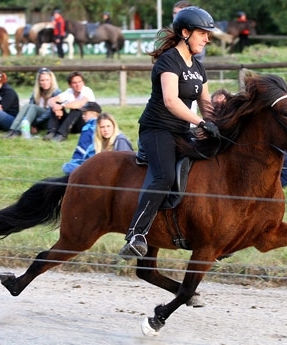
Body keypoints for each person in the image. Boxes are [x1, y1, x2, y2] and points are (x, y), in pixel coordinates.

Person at [118, 6, 219, 260]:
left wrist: (217, 124)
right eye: (202, 34)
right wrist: (201, 123)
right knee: (163, 176)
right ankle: (136, 235)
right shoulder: (168, 61)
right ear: (185, 32)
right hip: (156, 129)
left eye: (208, 35)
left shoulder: (198, 67)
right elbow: (171, 101)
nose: (207, 39)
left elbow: (206, 104)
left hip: (181, 131)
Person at [2, 67, 62, 138]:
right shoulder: (36, 92)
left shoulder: (56, 92)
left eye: (47, 80)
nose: (45, 82)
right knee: (27, 106)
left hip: (47, 121)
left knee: (32, 107)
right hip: (36, 120)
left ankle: (19, 130)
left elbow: (49, 113)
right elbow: (29, 108)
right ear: (38, 82)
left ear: (51, 80)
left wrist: (34, 123)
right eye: (42, 80)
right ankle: (13, 130)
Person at [45, 71, 96, 142]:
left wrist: (61, 106)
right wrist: (55, 107)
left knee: (77, 108)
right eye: (74, 83)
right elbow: (50, 100)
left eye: (79, 82)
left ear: (83, 83)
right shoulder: (69, 92)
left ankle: (61, 135)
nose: (78, 85)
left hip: (85, 123)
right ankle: (51, 132)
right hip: (71, 124)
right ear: (70, 85)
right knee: (56, 104)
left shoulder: (87, 91)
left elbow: (80, 104)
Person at [62, 102, 102, 175]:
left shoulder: (88, 128)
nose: (83, 116)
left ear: (93, 113)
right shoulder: (103, 124)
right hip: (102, 161)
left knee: (66, 167)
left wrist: (73, 161)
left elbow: (82, 149)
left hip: (90, 162)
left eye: (85, 113)